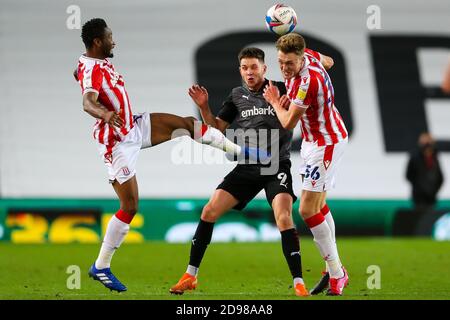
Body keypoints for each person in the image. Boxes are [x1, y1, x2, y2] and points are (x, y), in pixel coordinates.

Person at [75, 18, 265, 292]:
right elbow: (87, 102)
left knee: (187, 124)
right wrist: (105, 113)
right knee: (129, 207)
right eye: (109, 37)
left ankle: (239, 152)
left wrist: (83, 80)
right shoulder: (92, 70)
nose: (113, 41)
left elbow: (78, 73)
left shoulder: (86, 63)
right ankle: (101, 266)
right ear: (97, 42)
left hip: (133, 126)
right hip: (115, 142)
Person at [169, 47, 310, 297]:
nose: (249, 72)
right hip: (248, 166)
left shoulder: (281, 89)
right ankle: (190, 275)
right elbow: (216, 129)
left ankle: (299, 282)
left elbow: (296, 116)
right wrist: (203, 107)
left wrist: (279, 102)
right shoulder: (236, 96)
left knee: (284, 217)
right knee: (209, 210)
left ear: (264, 69)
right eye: (245, 68)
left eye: (254, 67)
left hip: (276, 165)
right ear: (240, 71)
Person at [263, 33, 349, 296]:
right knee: (319, 205)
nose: (284, 68)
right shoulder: (310, 56)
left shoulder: (305, 82)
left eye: (289, 63)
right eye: (280, 62)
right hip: (317, 140)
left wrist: (276, 101)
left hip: (326, 142)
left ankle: (337, 272)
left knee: (308, 210)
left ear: (300, 59)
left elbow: (288, 122)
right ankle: (332, 267)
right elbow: (331, 61)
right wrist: (313, 58)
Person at [406, 132, 444, 211]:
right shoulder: (415, 157)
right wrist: (419, 188)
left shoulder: (434, 158)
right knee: (420, 218)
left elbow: (440, 177)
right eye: (425, 142)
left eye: (429, 142)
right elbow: (409, 175)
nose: (427, 145)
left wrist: (434, 190)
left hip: (431, 197)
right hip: (419, 198)